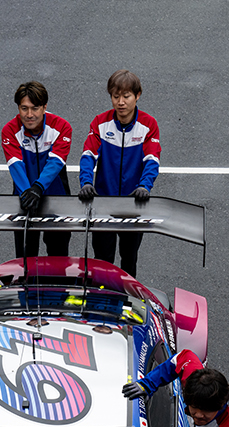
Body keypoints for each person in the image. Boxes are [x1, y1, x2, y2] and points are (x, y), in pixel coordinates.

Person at [77, 69, 160, 276]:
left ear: (137, 95)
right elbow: (88, 155)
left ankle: (126, 302)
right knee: (103, 262)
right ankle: (102, 301)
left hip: (133, 203)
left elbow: (152, 159)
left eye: (126, 96)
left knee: (129, 259)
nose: (120, 102)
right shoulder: (100, 123)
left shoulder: (149, 125)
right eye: (116, 96)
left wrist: (144, 186)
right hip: (103, 204)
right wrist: (86, 182)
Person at [2, 81, 73, 259]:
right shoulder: (9, 130)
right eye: (24, 108)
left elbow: (56, 162)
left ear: (44, 107)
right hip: (25, 198)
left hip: (57, 200)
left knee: (58, 261)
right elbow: (16, 165)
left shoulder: (62, 127)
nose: (29, 115)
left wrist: (38, 187)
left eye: (35, 108)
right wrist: (28, 192)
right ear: (18, 107)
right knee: (25, 261)